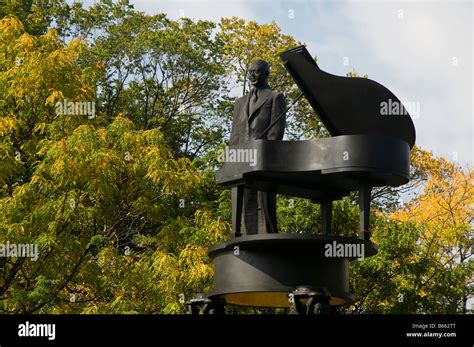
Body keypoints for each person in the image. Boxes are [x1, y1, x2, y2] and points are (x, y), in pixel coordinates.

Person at [229, 60, 286, 234]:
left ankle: (266, 239)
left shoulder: (275, 97)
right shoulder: (240, 102)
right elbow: (235, 134)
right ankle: (246, 239)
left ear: (267, 74)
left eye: (257, 71)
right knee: (246, 204)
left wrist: (264, 156)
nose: (252, 75)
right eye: (250, 72)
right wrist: (232, 159)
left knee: (264, 204)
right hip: (242, 161)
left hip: (263, 161)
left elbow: (276, 132)